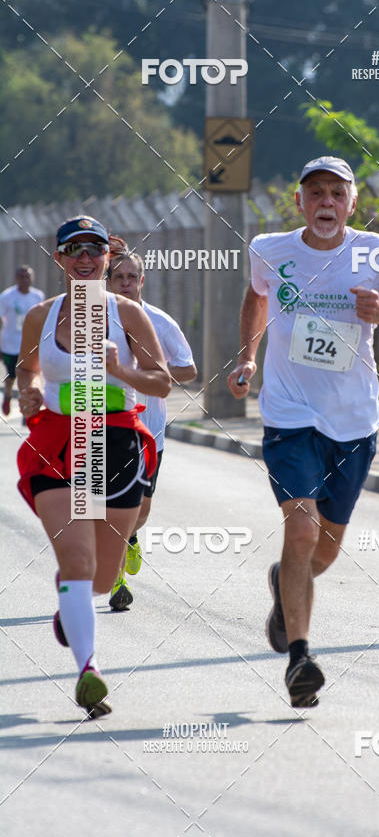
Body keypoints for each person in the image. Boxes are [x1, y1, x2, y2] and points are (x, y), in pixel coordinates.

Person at [227, 156, 379, 708]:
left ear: (352, 204)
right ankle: (300, 659)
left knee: (324, 551)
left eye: (337, 194)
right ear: (300, 203)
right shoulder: (270, 249)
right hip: (290, 416)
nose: (326, 203)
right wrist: (247, 356)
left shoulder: (376, 253)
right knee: (303, 530)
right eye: (316, 193)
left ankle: (283, 587)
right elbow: (258, 294)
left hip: (354, 421)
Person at [16, 215, 170, 717]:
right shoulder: (41, 315)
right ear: (59, 259)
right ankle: (89, 669)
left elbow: (162, 382)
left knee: (102, 578)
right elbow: (27, 368)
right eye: (74, 249)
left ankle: (74, 606)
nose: (84, 258)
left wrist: (119, 369)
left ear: (108, 257)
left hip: (118, 437)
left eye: (94, 250)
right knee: (76, 562)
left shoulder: (127, 314)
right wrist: (30, 393)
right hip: (60, 439)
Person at [105, 238, 197, 610]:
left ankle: (130, 539)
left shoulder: (160, 322)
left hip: (150, 431)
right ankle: (116, 582)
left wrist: (150, 371)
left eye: (132, 277)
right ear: (108, 281)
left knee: (140, 511)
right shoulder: (97, 321)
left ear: (142, 282)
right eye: (119, 276)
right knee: (109, 508)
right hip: (108, 428)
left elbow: (189, 370)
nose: (126, 282)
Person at [0, 266, 45, 416]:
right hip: (11, 344)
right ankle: (7, 395)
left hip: (31, 343)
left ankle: (27, 408)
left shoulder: (38, 296)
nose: (25, 280)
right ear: (16, 279)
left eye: (28, 277)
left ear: (32, 278)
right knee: (12, 375)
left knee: (29, 373)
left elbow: (41, 321)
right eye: (21, 277)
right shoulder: (7, 297)